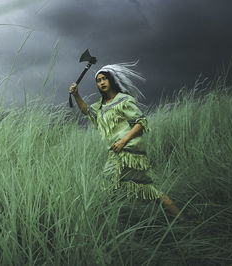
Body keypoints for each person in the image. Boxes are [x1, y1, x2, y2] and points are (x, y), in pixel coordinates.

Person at [69, 61, 184, 219]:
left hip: (129, 152)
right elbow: (87, 111)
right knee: (145, 190)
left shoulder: (124, 100)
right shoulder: (101, 106)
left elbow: (140, 123)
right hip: (116, 152)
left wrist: (123, 141)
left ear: (111, 80)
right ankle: (180, 219)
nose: (101, 82)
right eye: (98, 80)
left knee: (110, 187)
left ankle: (110, 225)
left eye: (104, 79)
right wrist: (76, 95)